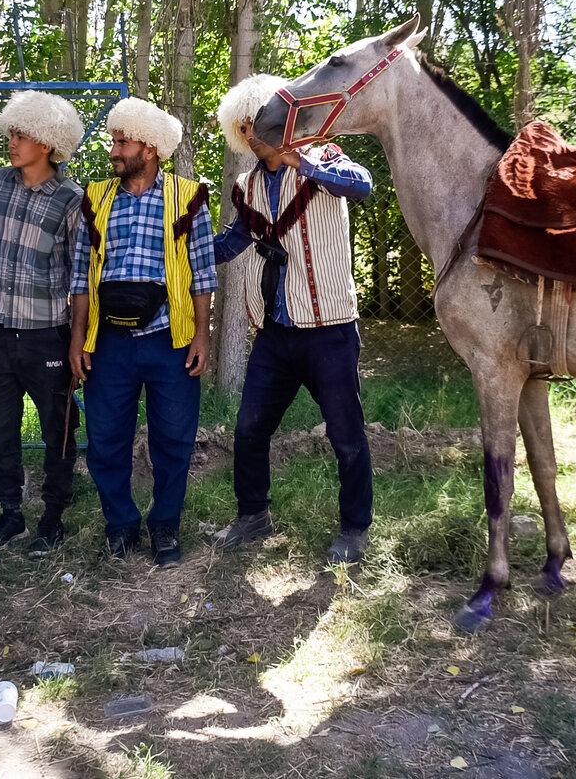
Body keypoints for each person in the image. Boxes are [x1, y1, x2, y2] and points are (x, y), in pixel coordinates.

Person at [210, 74, 376, 565]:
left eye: (259, 118)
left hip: (329, 329)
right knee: (249, 430)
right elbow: (232, 244)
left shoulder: (325, 157)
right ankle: (253, 515)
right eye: (245, 123)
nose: (252, 128)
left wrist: (301, 158)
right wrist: (183, 246)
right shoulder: (247, 186)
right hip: (274, 334)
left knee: (346, 436)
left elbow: (362, 186)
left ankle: (354, 527)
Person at [68, 97, 216, 567]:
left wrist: (202, 335)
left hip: (169, 339)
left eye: (122, 141)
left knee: (173, 439)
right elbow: (80, 275)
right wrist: (77, 339)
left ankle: (165, 527)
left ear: (149, 149)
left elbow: (204, 272)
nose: (114, 149)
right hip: (108, 343)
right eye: (114, 139)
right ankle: (120, 526)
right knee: (106, 438)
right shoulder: (94, 198)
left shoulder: (189, 196)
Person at [0, 91, 86, 555]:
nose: (12, 142)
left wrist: (77, 340)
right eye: (12, 133)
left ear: (47, 142)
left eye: (22, 135)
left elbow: (81, 278)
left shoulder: (72, 200)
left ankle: (53, 518)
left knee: (58, 429)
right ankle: (10, 514)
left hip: (47, 338)